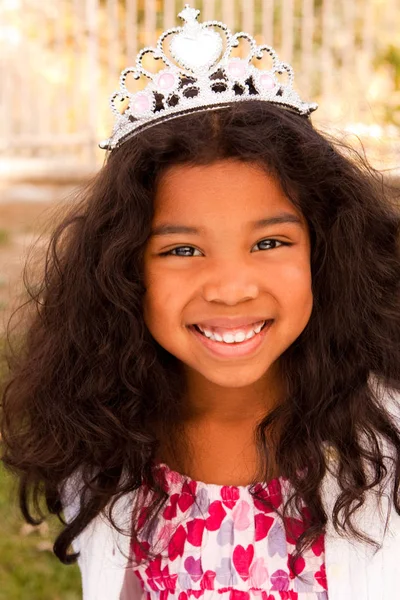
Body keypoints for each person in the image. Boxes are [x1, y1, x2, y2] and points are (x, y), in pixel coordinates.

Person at [1, 4, 400, 600]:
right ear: (123, 271)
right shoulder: (107, 436)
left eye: (269, 242)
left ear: (325, 254)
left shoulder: (385, 439)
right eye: (182, 250)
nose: (231, 286)